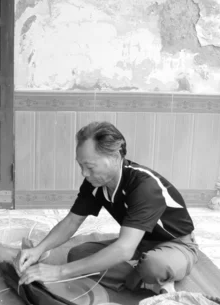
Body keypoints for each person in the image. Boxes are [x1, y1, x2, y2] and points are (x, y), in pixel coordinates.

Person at [17, 121, 198, 294]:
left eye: (89, 166)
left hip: (175, 244)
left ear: (116, 157)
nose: (84, 173)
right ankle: (147, 281)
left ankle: (150, 276)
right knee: (78, 255)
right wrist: (37, 250)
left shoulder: (145, 186)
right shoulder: (95, 182)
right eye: (80, 165)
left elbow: (124, 249)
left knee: (154, 266)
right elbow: (72, 220)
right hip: (139, 242)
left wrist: (60, 272)